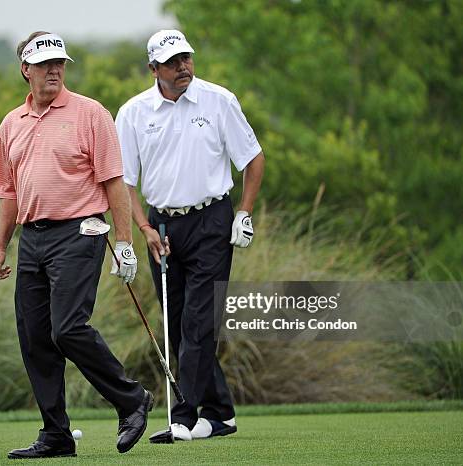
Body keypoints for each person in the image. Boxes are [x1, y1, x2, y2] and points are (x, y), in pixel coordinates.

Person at [0, 31, 152, 459]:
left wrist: (125, 242)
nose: (55, 70)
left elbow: (114, 181)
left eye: (60, 63)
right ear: (26, 70)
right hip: (31, 239)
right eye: (45, 65)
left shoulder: (90, 114)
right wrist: (0, 248)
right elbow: (8, 192)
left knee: (68, 328)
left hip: (80, 232)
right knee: (35, 337)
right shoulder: (10, 124)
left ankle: (131, 399)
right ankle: (56, 434)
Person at [115, 29, 265, 441]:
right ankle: (220, 414)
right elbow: (123, 181)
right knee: (181, 324)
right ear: (153, 69)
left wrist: (244, 213)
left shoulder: (219, 100)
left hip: (212, 222)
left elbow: (252, 159)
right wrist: (143, 228)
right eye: (171, 62)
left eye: (186, 58)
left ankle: (182, 418)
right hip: (162, 227)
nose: (182, 67)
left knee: (199, 322)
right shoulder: (132, 113)